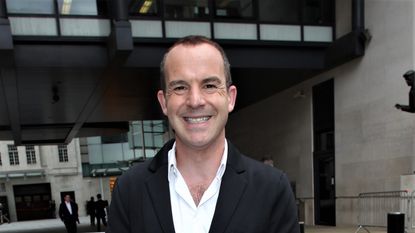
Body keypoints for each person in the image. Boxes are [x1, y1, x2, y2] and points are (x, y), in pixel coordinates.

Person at [107, 35, 300, 233]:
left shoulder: (272, 189)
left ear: (230, 98)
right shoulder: (129, 189)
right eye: (180, 87)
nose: (195, 100)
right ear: (164, 102)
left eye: (209, 85)